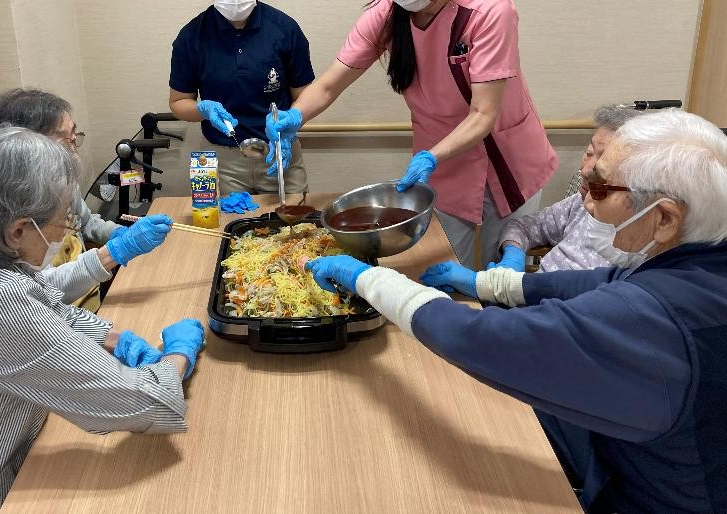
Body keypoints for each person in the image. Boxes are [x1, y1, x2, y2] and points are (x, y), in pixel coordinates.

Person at [303, 110, 727, 513]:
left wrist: (364, 278)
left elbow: (476, 338)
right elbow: (597, 282)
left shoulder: (651, 321)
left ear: (666, 218)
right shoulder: (702, 265)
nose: (588, 200)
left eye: (600, 188)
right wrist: (486, 282)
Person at [0, 127, 206, 514]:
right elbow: (154, 405)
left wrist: (116, 339)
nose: (67, 229)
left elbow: (48, 302)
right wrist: (177, 356)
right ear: (18, 230)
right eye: (61, 222)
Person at [266, 0, 557, 269]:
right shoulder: (386, 13)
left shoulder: (489, 11)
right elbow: (330, 84)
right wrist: (296, 116)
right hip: (444, 162)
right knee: (447, 266)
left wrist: (431, 156)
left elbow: (483, 113)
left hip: (506, 159)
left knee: (502, 273)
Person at [0, 88, 173, 311]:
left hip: (87, 302)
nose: (74, 151)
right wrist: (117, 250)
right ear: (24, 147)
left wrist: (118, 233)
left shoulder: (61, 179)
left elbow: (84, 221)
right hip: (57, 313)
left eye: (75, 138)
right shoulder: (6, 215)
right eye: (66, 142)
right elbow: (41, 292)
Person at [169, 0, 315, 194]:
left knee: (295, 222)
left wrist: (290, 126)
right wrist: (203, 109)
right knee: (226, 223)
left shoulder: (284, 28)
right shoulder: (192, 35)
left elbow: (306, 95)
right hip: (224, 159)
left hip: (279, 151)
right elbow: (178, 102)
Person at [487, 105, 643, 273]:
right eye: (589, 152)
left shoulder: (640, 234)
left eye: (603, 161)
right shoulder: (577, 204)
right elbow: (524, 227)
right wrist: (513, 253)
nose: (585, 171)